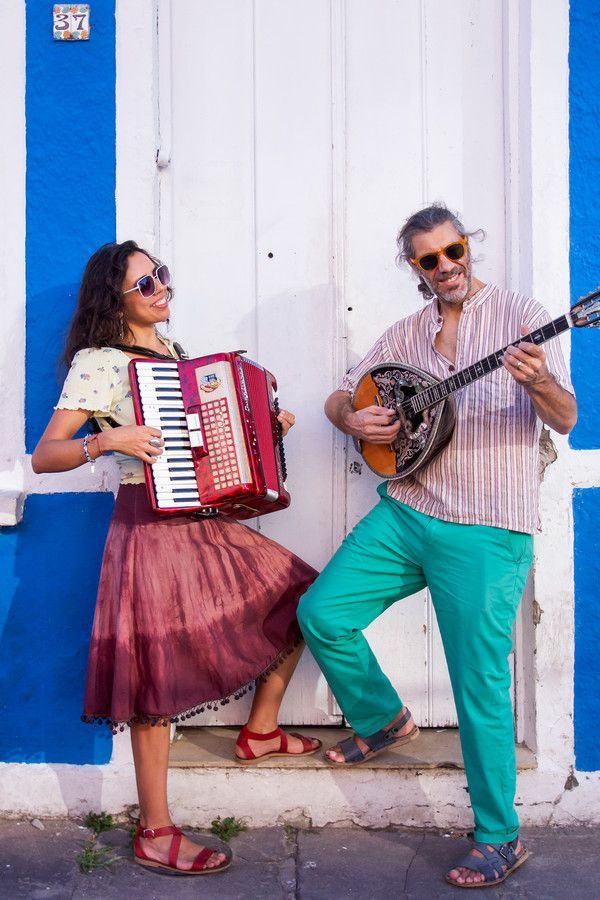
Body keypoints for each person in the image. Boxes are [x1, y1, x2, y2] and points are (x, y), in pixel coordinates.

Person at [297, 203, 577, 888]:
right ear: (414, 268)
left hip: (486, 524)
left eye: (455, 251)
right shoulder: (406, 332)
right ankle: (382, 718)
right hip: (409, 508)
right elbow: (341, 397)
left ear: (468, 248)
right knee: (323, 612)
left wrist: (537, 379)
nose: (448, 267)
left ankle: (498, 837)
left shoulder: (521, 315)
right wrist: (353, 416)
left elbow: (566, 416)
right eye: (430, 259)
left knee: (477, 683)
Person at [32, 240, 320, 876]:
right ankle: (154, 829)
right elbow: (45, 454)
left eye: (162, 275)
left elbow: (205, 442)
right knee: (154, 675)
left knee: (307, 599)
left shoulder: (173, 353)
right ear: (117, 301)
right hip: (147, 528)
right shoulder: (100, 362)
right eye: (145, 284)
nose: (161, 288)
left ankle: (261, 731)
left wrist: (268, 428)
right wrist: (106, 440)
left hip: (199, 519)